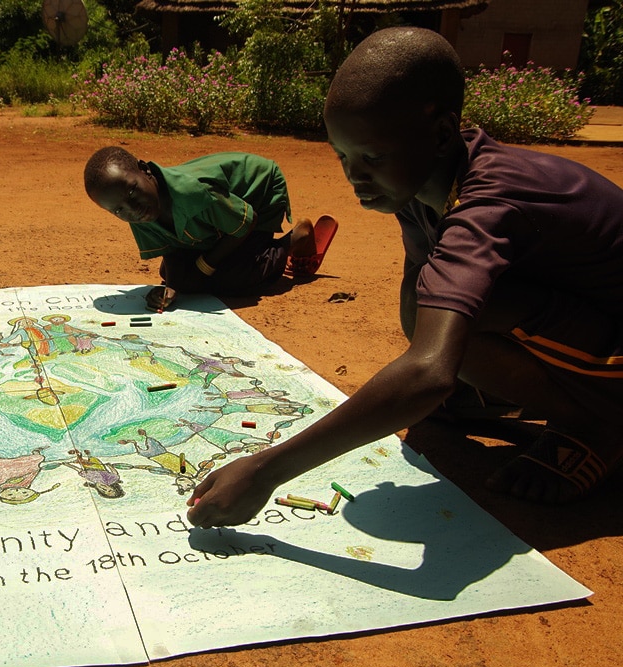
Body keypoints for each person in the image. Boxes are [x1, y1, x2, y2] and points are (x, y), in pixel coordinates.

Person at [186, 27, 623, 524]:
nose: (355, 176)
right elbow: (423, 303)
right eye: (344, 156)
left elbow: (427, 372)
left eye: (372, 157)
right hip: (584, 320)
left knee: (462, 321)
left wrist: (266, 470)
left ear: (440, 134)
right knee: (428, 302)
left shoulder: (486, 206)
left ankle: (597, 425)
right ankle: (509, 392)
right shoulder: (422, 182)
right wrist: (446, 368)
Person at [84, 147, 338, 311]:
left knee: (235, 279)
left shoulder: (194, 193)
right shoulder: (138, 215)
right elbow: (171, 249)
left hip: (256, 199)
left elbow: (245, 222)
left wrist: (206, 264)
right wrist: (174, 286)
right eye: (118, 210)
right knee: (179, 277)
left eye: (131, 191)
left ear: (144, 170)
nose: (131, 208)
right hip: (221, 217)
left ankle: (294, 239)